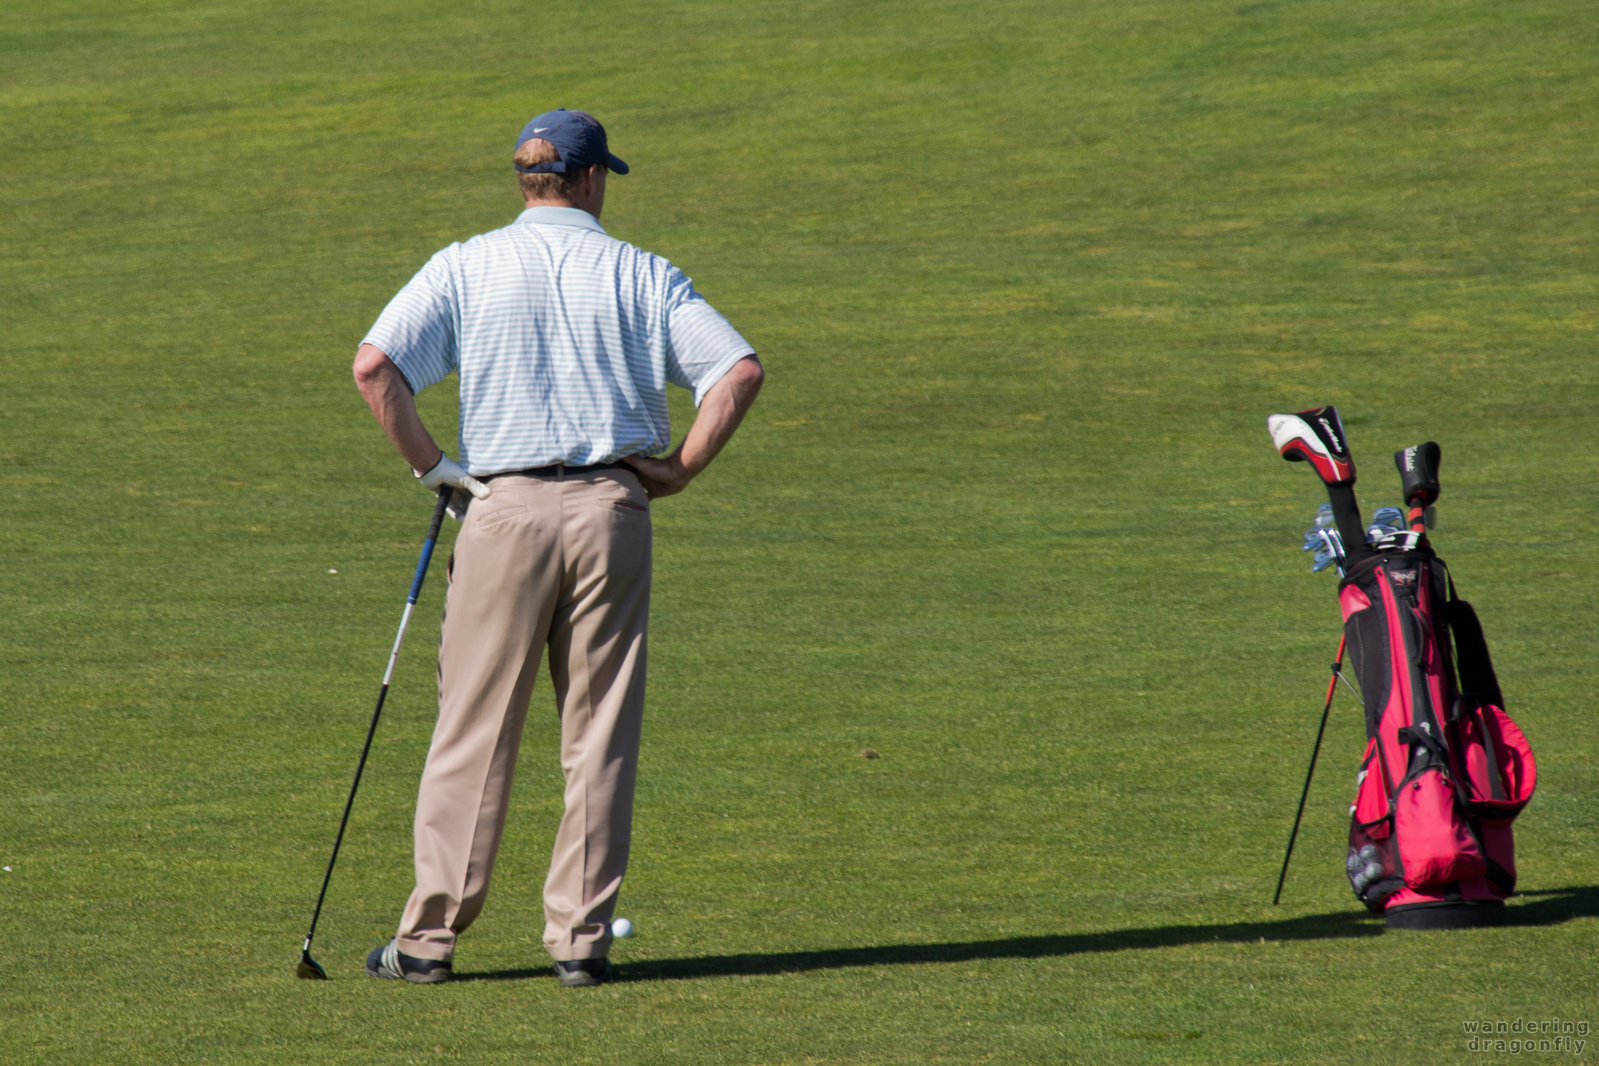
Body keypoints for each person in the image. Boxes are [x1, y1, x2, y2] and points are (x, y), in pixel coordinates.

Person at [352, 107, 763, 987]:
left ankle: (427, 944)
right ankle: (581, 941)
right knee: (599, 729)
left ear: (527, 179)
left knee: (473, 730)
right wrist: (682, 468)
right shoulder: (642, 272)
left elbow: (374, 367)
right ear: (588, 178)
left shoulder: (464, 265)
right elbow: (737, 371)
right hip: (613, 510)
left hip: (501, 510)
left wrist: (437, 472)